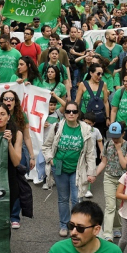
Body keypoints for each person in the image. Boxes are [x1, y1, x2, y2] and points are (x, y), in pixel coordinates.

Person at [43, 101, 97, 237]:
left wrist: (92, 172)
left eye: (74, 111)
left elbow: (91, 153)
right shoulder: (57, 127)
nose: (71, 114)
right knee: (62, 198)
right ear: (64, 113)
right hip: (59, 169)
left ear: (78, 113)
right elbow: (46, 146)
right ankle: (63, 224)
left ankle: (75, 225)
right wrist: (50, 159)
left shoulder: (85, 129)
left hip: (77, 170)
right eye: (68, 111)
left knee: (76, 198)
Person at [0, 102, 32, 228]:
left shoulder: (17, 134)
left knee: (5, 219)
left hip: (9, 181)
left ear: (8, 117)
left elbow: (17, 161)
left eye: (2, 114)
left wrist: (9, 143)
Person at [94, 122, 127, 241]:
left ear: (123, 134)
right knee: (110, 206)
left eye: (117, 136)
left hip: (123, 180)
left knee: (118, 206)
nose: (114, 139)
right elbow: (103, 162)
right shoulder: (107, 145)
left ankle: (117, 227)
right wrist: (94, 174)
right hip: (109, 178)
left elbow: (125, 165)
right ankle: (107, 233)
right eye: (112, 136)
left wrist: (119, 150)